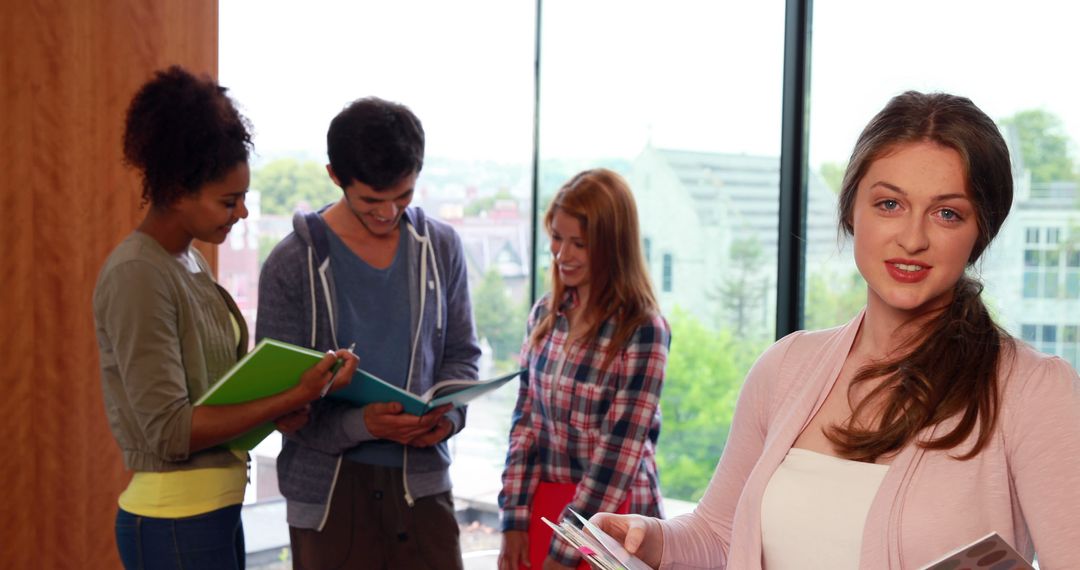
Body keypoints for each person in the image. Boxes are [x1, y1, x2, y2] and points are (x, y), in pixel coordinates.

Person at [593, 91, 1080, 569]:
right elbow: (719, 535)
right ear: (852, 211)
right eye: (889, 204)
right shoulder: (785, 368)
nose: (912, 238)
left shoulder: (1035, 392)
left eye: (947, 213)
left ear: (980, 233)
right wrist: (649, 538)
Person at [93, 66, 358, 570]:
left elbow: (212, 404)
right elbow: (171, 431)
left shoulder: (189, 263)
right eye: (227, 200)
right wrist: (293, 393)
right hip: (174, 522)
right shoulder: (137, 274)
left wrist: (279, 411)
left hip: (210, 513)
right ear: (176, 190)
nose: (240, 214)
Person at [256, 96, 481, 570]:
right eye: (371, 201)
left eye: (404, 196)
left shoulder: (441, 247)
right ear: (335, 176)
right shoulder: (291, 263)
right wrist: (362, 425)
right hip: (329, 495)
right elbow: (280, 404)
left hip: (423, 485)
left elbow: (462, 355)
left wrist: (449, 416)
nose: (388, 213)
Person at [498, 169, 671, 570]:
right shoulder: (545, 314)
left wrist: (567, 550)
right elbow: (525, 424)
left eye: (580, 243)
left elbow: (617, 457)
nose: (562, 254)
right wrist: (514, 519)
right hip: (546, 507)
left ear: (612, 246)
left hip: (613, 524)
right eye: (557, 238)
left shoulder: (644, 330)